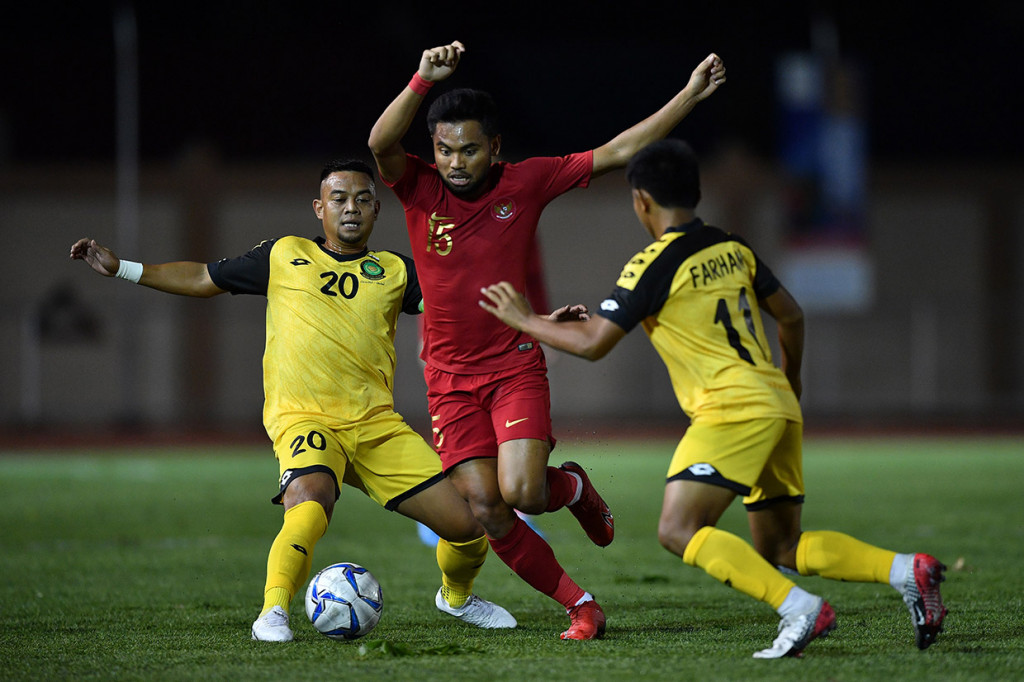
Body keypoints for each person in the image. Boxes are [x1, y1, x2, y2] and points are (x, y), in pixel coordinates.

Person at [479, 138, 948, 658]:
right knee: (781, 546)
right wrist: (790, 383)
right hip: (775, 402)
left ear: (642, 201)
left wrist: (525, 321)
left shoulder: (653, 264)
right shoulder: (732, 248)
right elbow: (791, 316)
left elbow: (593, 344)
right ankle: (909, 570)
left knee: (679, 528)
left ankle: (799, 608)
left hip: (730, 409)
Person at [69, 159, 516, 642]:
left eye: (363, 200)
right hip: (305, 419)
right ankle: (274, 611)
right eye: (340, 199)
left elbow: (465, 306)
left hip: (376, 426)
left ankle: (455, 597)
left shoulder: (394, 271)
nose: (351, 209)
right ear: (319, 208)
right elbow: (203, 277)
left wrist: (539, 320)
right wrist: (122, 269)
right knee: (309, 500)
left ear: (376, 210)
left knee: (469, 526)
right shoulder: (284, 254)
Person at [368, 40, 726, 640]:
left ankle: (573, 486)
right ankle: (581, 605)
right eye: (445, 149)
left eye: (470, 149)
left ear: (496, 147)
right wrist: (420, 80)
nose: (456, 162)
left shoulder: (527, 182)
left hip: (512, 364)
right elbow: (381, 144)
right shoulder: (417, 188)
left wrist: (688, 95)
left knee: (525, 493)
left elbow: (619, 151)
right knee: (486, 507)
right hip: (447, 379)